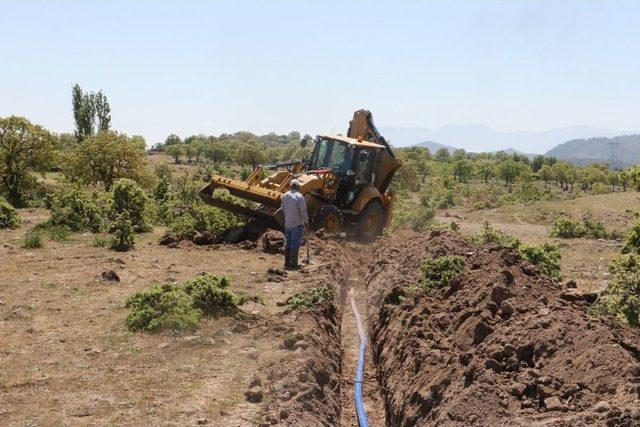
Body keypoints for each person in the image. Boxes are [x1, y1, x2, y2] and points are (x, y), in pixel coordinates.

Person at [281, 179, 308, 270]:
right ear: (298, 187)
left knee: (288, 243)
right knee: (295, 244)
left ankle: (287, 263)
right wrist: (306, 221)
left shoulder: (284, 196)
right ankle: (294, 265)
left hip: (287, 224)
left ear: (290, 186)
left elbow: (283, 209)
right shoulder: (299, 196)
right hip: (297, 225)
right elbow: (303, 211)